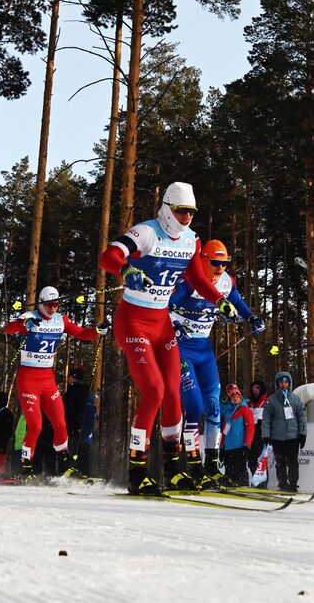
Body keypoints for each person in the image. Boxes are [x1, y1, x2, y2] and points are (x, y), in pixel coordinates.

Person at [97, 181, 235, 494]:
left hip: (161, 324)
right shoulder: (146, 232)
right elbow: (109, 256)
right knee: (154, 391)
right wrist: (126, 270)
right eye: (181, 210)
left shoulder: (191, 241)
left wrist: (219, 300)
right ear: (167, 207)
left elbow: (198, 279)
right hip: (133, 321)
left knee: (174, 392)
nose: (186, 217)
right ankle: (137, 470)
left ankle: (174, 468)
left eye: (191, 212)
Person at [170, 239, 266, 488]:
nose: (220, 268)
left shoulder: (226, 282)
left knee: (213, 406)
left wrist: (252, 318)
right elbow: (162, 304)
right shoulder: (189, 279)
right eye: (215, 263)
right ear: (203, 260)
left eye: (224, 263)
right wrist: (173, 324)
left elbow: (237, 301)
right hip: (181, 348)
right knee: (194, 404)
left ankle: (211, 464)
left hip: (203, 349)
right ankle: (193, 466)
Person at [1, 286, 101, 479]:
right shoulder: (29, 315)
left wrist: (97, 330)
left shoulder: (60, 320)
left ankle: (64, 464)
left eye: (56, 304)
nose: (53, 308)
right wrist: (23, 324)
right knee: (36, 426)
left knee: (60, 423)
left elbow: (81, 333)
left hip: (47, 379)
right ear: (41, 302)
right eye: (49, 304)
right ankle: (26, 467)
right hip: (28, 379)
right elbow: (8, 329)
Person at [260, 371, 306, 493]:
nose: (284, 384)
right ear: (277, 383)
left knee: (292, 462)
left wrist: (303, 434)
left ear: (289, 383)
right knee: (280, 462)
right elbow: (266, 420)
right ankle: (283, 484)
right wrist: (266, 435)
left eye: (286, 381)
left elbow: (302, 417)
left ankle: (293, 484)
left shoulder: (296, 399)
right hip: (277, 438)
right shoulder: (271, 400)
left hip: (293, 437)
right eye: (281, 382)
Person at [219, 384, 255, 487]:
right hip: (228, 448)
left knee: (241, 470)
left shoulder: (245, 410)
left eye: (237, 397)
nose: (235, 398)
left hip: (240, 447)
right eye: (233, 397)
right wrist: (222, 448)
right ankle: (230, 487)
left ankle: (243, 486)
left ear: (240, 398)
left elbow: (250, 429)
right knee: (229, 471)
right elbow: (224, 432)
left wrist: (247, 444)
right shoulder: (227, 413)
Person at [62, 365, 92, 477]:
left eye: (70, 376)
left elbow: (80, 411)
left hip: (77, 427)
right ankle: (70, 471)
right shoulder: (71, 391)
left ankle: (83, 472)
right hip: (69, 427)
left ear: (74, 377)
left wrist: (78, 427)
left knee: (80, 449)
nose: (68, 379)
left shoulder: (80, 391)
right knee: (71, 450)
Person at [246, 378, 268, 478]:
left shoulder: (267, 402)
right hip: (250, 436)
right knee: (251, 460)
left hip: (262, 436)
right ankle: (255, 479)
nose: (255, 390)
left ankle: (261, 483)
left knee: (261, 460)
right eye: (253, 388)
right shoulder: (249, 403)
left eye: (257, 388)